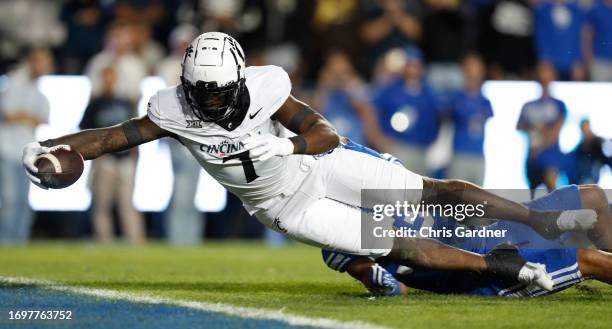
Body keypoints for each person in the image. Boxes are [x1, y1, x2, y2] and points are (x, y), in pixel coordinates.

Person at [22, 32, 598, 291]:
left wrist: (288, 145)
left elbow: (324, 133)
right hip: (283, 207)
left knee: (431, 190)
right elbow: (111, 137)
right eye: (205, 93)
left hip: (317, 166)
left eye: (222, 91)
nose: (214, 103)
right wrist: (57, 147)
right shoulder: (173, 109)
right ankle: (503, 269)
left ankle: (538, 223)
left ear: (241, 77)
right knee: (393, 244)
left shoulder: (270, 87)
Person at [322, 184, 612, 297]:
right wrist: (376, 278)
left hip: (495, 232)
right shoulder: (333, 231)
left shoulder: (372, 185)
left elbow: (450, 197)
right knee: (589, 260)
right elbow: (375, 277)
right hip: (484, 274)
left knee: (592, 197)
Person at [79, 66, 145, 244]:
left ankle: (136, 241)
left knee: (127, 204)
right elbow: (84, 132)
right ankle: (103, 241)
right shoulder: (96, 103)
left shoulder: (125, 102)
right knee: (102, 204)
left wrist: (135, 157)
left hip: (124, 160)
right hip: (105, 159)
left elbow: (138, 132)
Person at [157, 24, 204, 245]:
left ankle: (189, 239)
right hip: (176, 132)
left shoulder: (202, 65)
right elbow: (175, 97)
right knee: (182, 192)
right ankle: (181, 240)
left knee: (190, 193)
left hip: (196, 133)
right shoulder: (168, 66)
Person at [0, 48, 52, 243]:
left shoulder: (37, 88)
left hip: (27, 151)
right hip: (6, 148)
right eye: (41, 62)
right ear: (32, 61)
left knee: (23, 201)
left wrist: (24, 115)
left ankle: (19, 242)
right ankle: (5, 241)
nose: (45, 67)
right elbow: (8, 114)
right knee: (9, 199)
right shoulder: (14, 81)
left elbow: (44, 118)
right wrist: (27, 116)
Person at [371, 47, 442, 176]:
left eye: (415, 65)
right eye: (409, 65)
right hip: (398, 145)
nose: (412, 69)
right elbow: (373, 109)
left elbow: (440, 115)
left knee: (419, 190)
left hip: (422, 148)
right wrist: (379, 137)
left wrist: (434, 140)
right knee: (395, 187)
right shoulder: (391, 88)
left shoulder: (429, 92)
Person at [517, 61, 567, 196]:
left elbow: (556, 131)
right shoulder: (528, 105)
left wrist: (540, 145)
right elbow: (519, 126)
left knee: (553, 197)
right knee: (532, 198)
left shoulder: (559, 105)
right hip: (532, 160)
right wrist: (533, 127)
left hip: (550, 159)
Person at [446, 53, 493, 185]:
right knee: (455, 199)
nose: (474, 70)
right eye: (470, 66)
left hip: (478, 155)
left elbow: (487, 115)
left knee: (477, 202)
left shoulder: (484, 100)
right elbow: (455, 113)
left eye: (476, 66)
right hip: (460, 154)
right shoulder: (456, 96)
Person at [533, 0, 586, 81]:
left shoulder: (576, 10)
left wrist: (578, 60)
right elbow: (541, 37)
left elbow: (578, 37)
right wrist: (544, 60)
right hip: (549, 64)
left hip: (572, 64)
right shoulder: (543, 10)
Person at [584, 0, 612, 81]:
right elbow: (587, 34)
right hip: (600, 61)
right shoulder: (595, 8)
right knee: (600, 91)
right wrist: (588, 58)